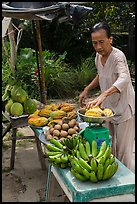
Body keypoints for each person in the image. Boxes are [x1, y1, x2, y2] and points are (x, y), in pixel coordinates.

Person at [78, 22, 135, 169]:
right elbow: (101, 74)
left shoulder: (118, 56)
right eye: (94, 43)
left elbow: (124, 79)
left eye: (101, 42)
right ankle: (112, 177)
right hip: (108, 109)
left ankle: (128, 186)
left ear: (110, 39)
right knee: (107, 146)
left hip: (124, 108)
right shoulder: (98, 56)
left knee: (123, 152)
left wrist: (103, 95)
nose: (98, 47)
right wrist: (87, 89)